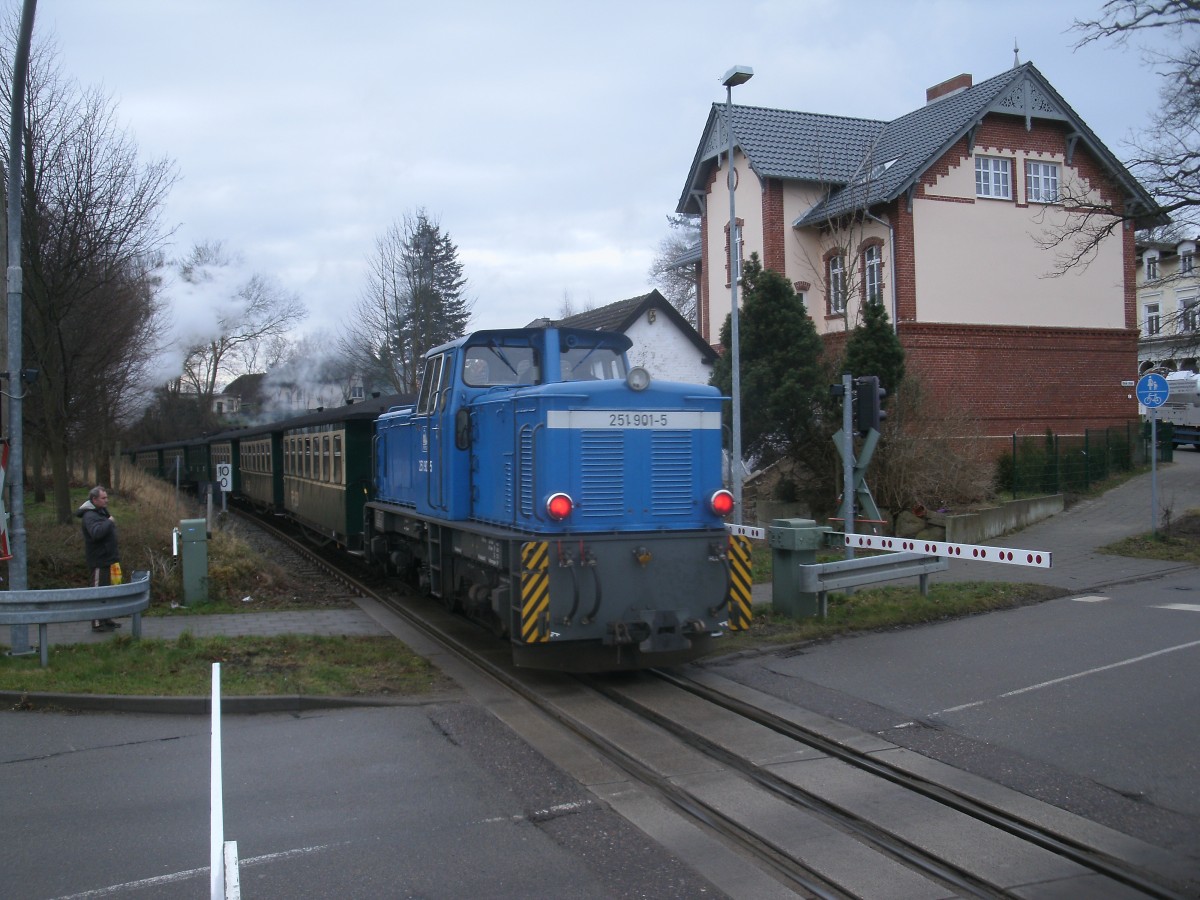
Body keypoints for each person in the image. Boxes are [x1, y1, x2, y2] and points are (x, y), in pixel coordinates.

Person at [76, 485, 121, 632]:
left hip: (107, 559)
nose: (106, 500)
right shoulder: (90, 516)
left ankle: (106, 618)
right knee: (97, 591)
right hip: (98, 560)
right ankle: (96, 622)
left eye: (106, 497)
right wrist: (109, 522)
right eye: (103, 498)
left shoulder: (100, 512)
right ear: (94, 499)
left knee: (106, 592)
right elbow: (96, 533)